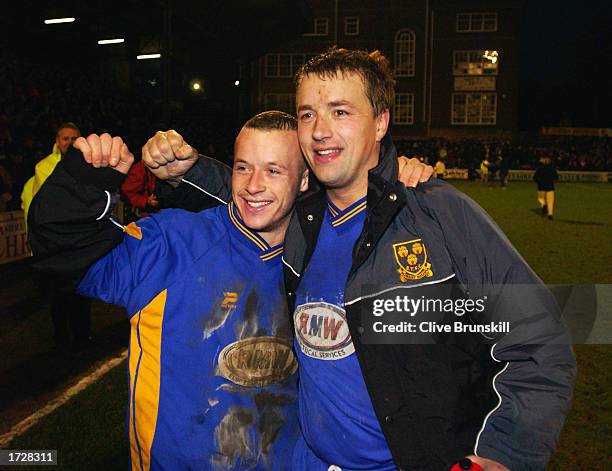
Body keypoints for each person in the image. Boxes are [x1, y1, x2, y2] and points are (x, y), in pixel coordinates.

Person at [149, 48, 576, 471]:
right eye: (307, 115)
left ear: (381, 123)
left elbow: (539, 338)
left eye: (340, 112)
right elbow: (252, 189)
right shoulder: (302, 220)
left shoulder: (438, 215)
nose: (319, 131)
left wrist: (504, 454)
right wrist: (185, 170)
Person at [29, 111, 432, 470]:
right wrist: (85, 180)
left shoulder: (326, 255)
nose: (253, 185)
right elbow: (62, 253)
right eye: (243, 168)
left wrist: (407, 184)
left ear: (305, 179)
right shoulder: (176, 241)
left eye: (274, 170)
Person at [23, 122, 93, 352]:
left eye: (74, 138)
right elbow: (46, 204)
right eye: (65, 138)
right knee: (59, 294)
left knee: (83, 291)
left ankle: (83, 335)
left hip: (80, 240)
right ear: (57, 141)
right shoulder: (44, 167)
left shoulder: (89, 165)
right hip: (56, 242)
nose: (70, 142)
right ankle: (62, 338)